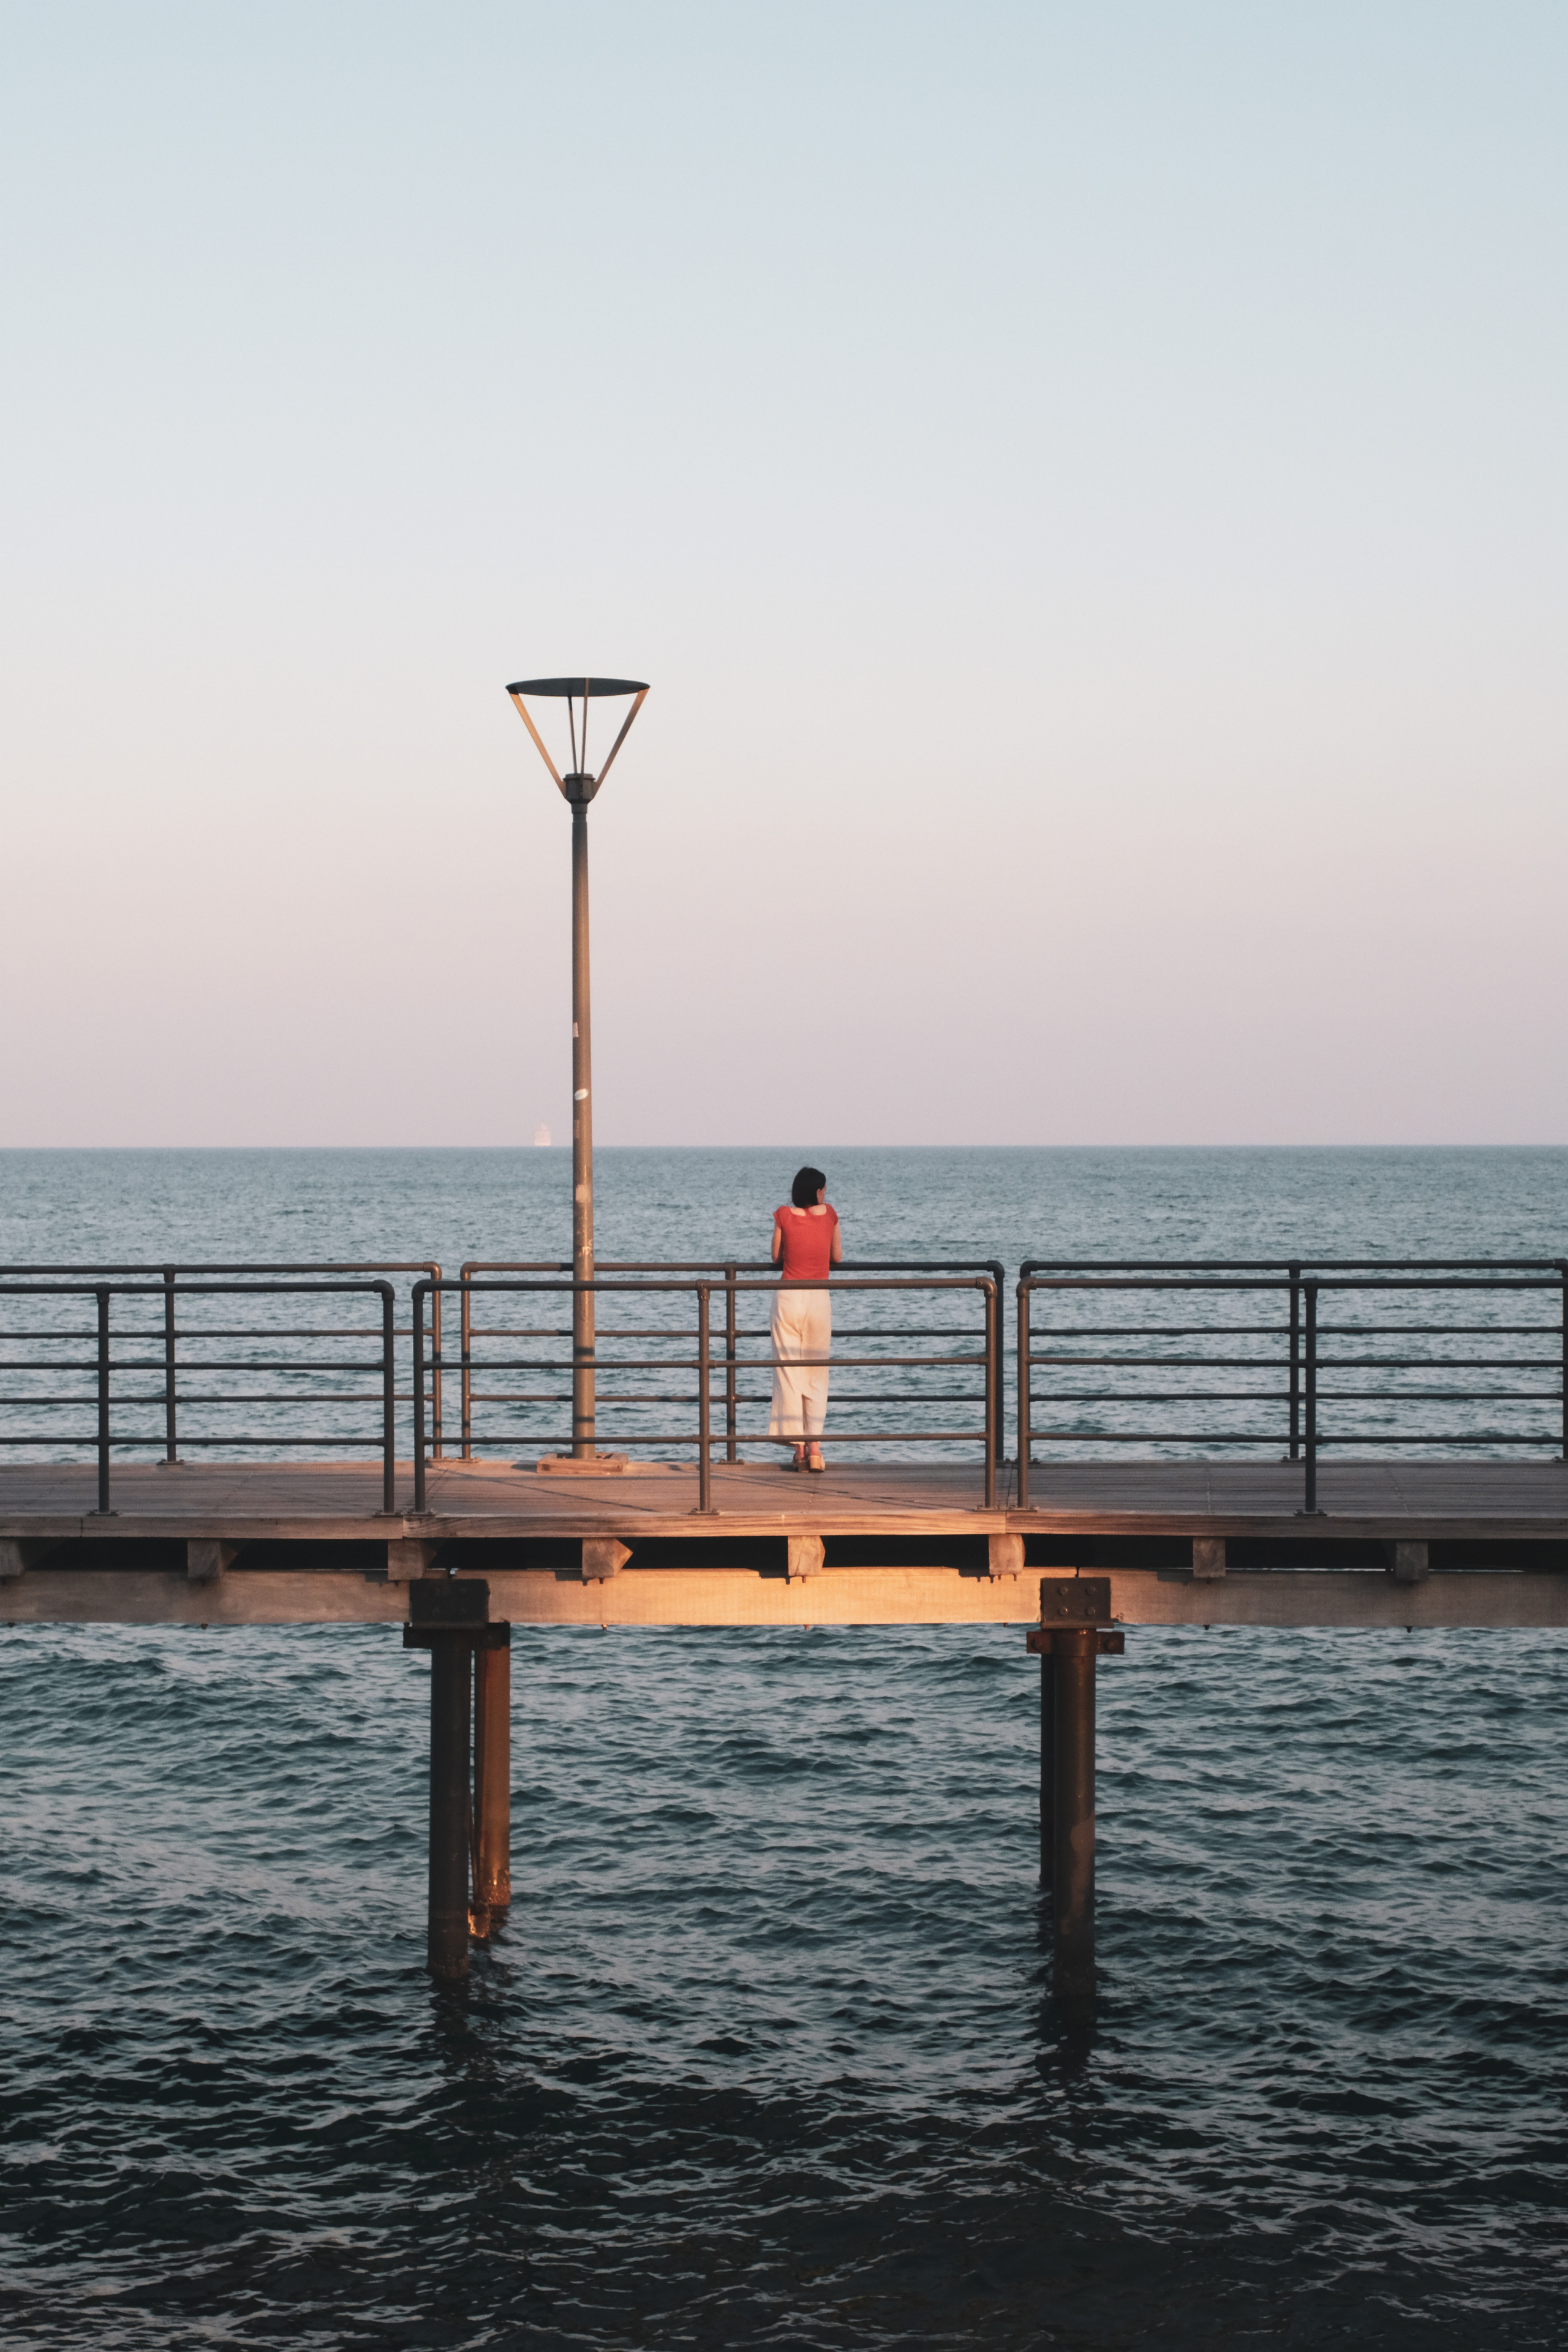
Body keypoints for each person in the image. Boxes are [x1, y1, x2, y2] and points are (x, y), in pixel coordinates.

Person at [769, 1164, 842, 1471]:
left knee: (788, 1372)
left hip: (788, 1297)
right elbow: (837, 1257)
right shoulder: (831, 1215)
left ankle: (797, 1447)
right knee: (816, 1374)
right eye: (823, 1189)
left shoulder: (784, 1215)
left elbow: (775, 1256)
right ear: (818, 1191)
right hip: (818, 1299)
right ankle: (815, 1450)